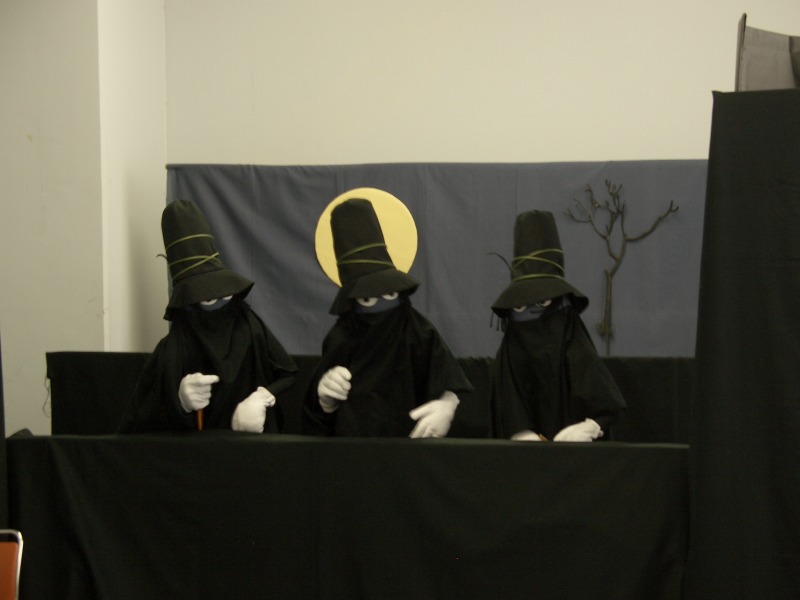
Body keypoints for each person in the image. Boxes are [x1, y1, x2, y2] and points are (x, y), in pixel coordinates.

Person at [118, 200, 297, 433]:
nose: (216, 302)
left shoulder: (248, 325)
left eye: (222, 296)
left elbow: (288, 373)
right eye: (204, 298)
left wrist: (262, 397)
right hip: (199, 452)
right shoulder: (176, 347)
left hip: (253, 448)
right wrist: (180, 402)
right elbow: (142, 420)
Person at [302, 196, 472, 437]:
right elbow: (317, 420)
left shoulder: (418, 331)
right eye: (367, 299)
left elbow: (449, 380)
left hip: (412, 448)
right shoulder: (343, 336)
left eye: (389, 294)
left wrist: (448, 405)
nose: (380, 306)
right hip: (353, 450)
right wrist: (325, 399)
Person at [490, 210, 625, 442]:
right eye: (521, 307)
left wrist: (591, 426)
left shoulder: (571, 338)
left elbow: (605, 400)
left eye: (542, 303)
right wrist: (520, 432)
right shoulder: (512, 348)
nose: (531, 316)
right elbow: (507, 397)